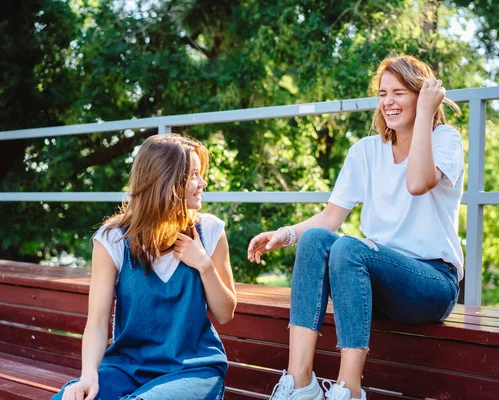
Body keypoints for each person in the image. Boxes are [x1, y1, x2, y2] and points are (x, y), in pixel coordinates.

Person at [247, 55, 463, 400]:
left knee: (349, 247)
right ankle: (300, 383)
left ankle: (348, 390)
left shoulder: (445, 140)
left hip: (431, 284)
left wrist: (425, 116)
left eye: (399, 92)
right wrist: (284, 234)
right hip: (372, 280)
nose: (388, 102)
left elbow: (418, 182)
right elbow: (330, 217)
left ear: (422, 96)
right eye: (382, 94)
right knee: (318, 238)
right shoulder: (365, 150)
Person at [53, 134, 236, 400]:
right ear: (166, 181)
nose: (202, 182)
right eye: (194, 175)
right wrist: (89, 376)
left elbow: (225, 313)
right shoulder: (112, 240)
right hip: (127, 368)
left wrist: (203, 265)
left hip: (192, 371)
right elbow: (97, 321)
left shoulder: (210, 231)